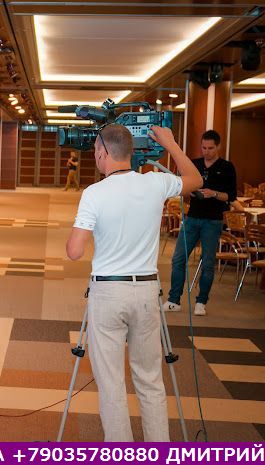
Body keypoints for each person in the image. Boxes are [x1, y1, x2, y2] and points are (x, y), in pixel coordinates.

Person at [66, 124, 202, 441]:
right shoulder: (155, 183)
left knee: (111, 383)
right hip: (146, 292)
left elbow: (74, 251)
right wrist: (171, 144)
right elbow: (195, 180)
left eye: (95, 151)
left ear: (103, 152)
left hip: (108, 292)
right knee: (150, 379)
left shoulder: (94, 193)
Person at [162, 130, 237, 316]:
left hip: (213, 221)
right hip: (192, 218)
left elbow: (230, 197)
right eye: (203, 148)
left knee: (208, 262)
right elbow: (183, 189)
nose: (206, 151)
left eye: (210, 148)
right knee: (178, 259)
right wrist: (189, 192)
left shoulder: (227, 167)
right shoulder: (194, 164)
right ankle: (174, 300)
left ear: (218, 147)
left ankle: (201, 302)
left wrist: (214, 194)